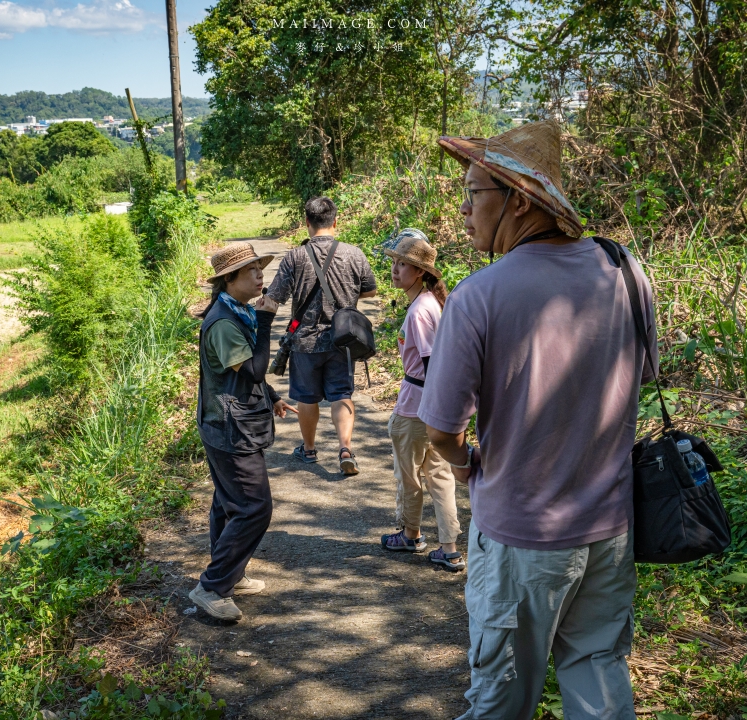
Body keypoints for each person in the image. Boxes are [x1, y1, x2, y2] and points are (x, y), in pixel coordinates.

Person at [418, 120, 658, 719]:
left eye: (474, 194)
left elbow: (440, 429)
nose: (464, 211)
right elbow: (639, 378)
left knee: (502, 698)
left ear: (519, 200)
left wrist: (468, 463)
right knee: (599, 680)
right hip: (608, 530)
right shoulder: (626, 270)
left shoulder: (478, 296)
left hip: (520, 536)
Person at [190, 242, 298, 622]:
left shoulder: (237, 312)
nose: (260, 276)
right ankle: (212, 586)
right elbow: (251, 369)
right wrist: (268, 321)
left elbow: (244, 375)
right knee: (254, 507)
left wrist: (270, 397)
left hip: (231, 421)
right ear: (228, 280)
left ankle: (228, 576)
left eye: (260, 269)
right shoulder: (223, 321)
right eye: (251, 271)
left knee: (228, 503)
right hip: (228, 428)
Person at [265, 196, 377, 476]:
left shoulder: (294, 256)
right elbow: (371, 290)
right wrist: (347, 297)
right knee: (341, 394)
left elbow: (275, 297)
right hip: (343, 340)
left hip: (304, 340)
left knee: (307, 397)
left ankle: (309, 449)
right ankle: (345, 449)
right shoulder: (354, 254)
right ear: (335, 222)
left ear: (307, 223)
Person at [378, 229, 464, 572]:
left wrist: (435, 408)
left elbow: (431, 365)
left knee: (409, 476)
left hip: (416, 408)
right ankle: (449, 547)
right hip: (433, 408)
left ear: (420, 273)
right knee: (441, 476)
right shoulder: (428, 303)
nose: (396, 269)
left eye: (404, 264)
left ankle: (410, 534)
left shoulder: (419, 311)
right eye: (396, 262)